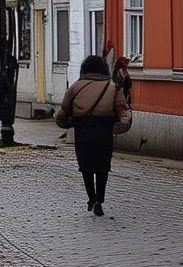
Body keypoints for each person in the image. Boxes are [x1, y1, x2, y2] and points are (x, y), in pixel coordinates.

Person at [55, 54, 132, 217]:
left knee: (86, 167)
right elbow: (124, 112)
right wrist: (117, 127)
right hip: (104, 133)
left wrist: (68, 123)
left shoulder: (75, 87)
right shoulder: (112, 88)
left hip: (83, 133)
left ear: (85, 68)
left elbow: (62, 113)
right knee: (102, 168)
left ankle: (91, 198)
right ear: (103, 69)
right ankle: (99, 200)